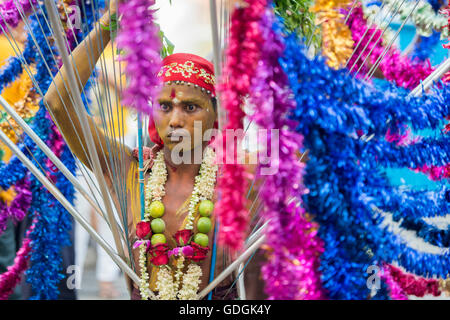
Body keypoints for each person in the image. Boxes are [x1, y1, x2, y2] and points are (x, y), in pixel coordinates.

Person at [43, 3, 264, 300]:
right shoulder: (129, 169)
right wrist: (112, 21)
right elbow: (59, 103)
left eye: (190, 107)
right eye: (164, 106)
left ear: (217, 117)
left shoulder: (242, 177)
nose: (174, 120)